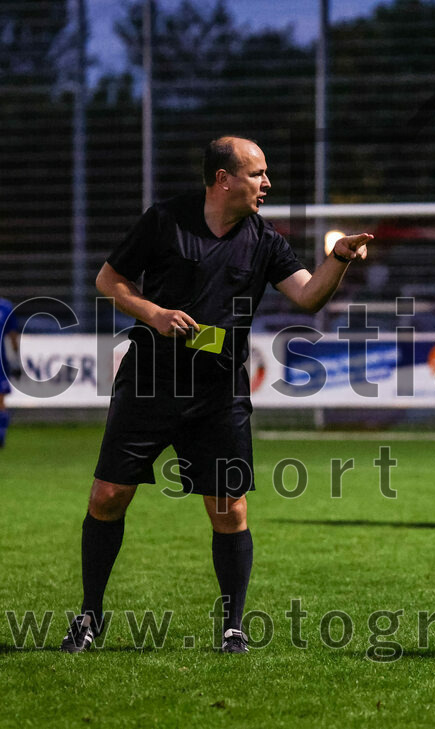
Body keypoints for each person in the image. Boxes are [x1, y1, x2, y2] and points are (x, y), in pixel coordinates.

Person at [61, 136, 372, 654]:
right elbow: (108, 280)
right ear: (224, 179)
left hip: (219, 391)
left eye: (266, 174)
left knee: (230, 508)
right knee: (108, 497)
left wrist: (338, 257)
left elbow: (309, 296)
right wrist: (154, 314)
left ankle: (233, 626)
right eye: (257, 174)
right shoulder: (165, 220)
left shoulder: (264, 240)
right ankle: (90, 618)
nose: (267, 183)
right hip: (151, 381)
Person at [0, 296, 22, 448]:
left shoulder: (5, 307)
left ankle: (0, 436)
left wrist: (15, 361)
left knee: (1, 400)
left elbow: (12, 335)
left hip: (0, 362)